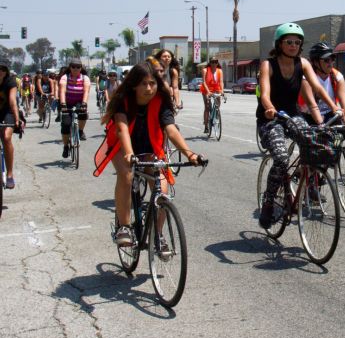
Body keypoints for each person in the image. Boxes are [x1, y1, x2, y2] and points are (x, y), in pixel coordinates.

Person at [92, 61, 202, 246]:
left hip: (150, 147)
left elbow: (171, 130)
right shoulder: (124, 100)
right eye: (144, 83)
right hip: (122, 146)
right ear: (134, 84)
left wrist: (190, 155)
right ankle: (124, 227)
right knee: (126, 175)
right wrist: (129, 154)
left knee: (162, 189)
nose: (149, 88)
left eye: (152, 83)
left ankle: (157, 235)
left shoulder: (161, 101)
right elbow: (122, 129)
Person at [256, 23, 340, 228]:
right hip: (271, 119)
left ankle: (308, 185)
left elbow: (318, 88)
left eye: (297, 42)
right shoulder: (268, 64)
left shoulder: (302, 64)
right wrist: (269, 108)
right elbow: (265, 93)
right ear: (279, 43)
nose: (293, 45)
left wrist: (336, 109)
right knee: (282, 158)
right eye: (289, 41)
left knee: (314, 143)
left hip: (293, 115)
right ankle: (268, 201)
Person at [300, 42, 345, 128]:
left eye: (332, 58)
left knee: (341, 133)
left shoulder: (338, 77)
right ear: (315, 62)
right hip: (309, 115)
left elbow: (343, 100)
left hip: (330, 114)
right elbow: (312, 105)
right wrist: (321, 124)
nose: (330, 62)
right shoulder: (306, 78)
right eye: (326, 60)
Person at [58, 60, 90, 158]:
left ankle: (80, 131)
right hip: (67, 102)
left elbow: (86, 91)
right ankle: (65, 146)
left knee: (84, 113)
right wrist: (63, 104)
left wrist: (84, 103)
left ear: (81, 68)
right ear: (70, 67)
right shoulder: (65, 77)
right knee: (66, 125)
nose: (75, 69)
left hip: (79, 102)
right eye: (73, 67)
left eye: (78, 67)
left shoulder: (85, 78)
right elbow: (62, 91)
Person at [0, 64, 20, 189]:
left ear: (6, 72)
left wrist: (17, 118)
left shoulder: (10, 82)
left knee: (6, 137)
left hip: (7, 112)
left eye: (2, 69)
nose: (0, 72)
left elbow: (12, 100)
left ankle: (10, 174)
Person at [201, 57, 224, 133]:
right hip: (206, 89)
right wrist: (208, 92)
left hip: (216, 89)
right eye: (212, 62)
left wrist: (222, 91)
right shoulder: (205, 70)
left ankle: (215, 117)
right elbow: (204, 82)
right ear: (210, 63)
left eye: (215, 62)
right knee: (207, 106)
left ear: (217, 63)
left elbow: (221, 82)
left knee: (218, 103)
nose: (214, 64)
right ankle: (206, 125)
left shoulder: (219, 71)